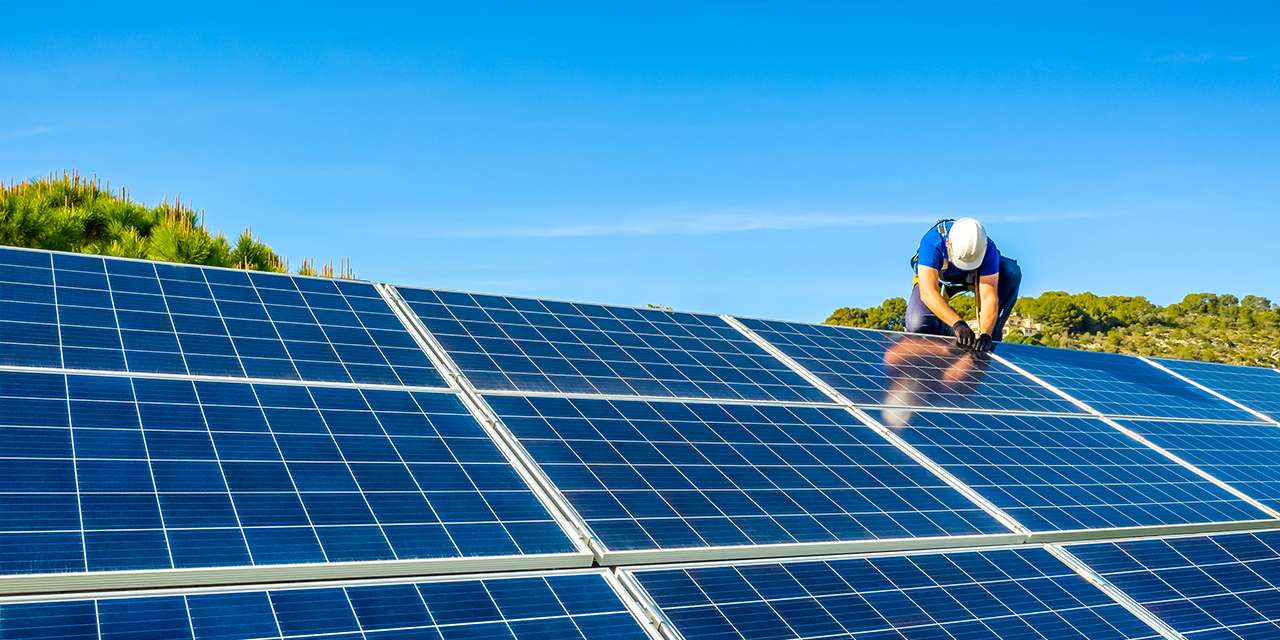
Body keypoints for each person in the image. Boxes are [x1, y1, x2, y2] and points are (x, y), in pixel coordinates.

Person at [905, 217, 1021, 351]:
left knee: (1011, 272)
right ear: (948, 243)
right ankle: (952, 335)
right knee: (917, 324)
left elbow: (988, 297)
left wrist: (986, 334)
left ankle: (990, 341)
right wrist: (957, 324)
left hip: (973, 277)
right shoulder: (932, 242)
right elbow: (928, 293)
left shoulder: (988, 247)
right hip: (940, 279)